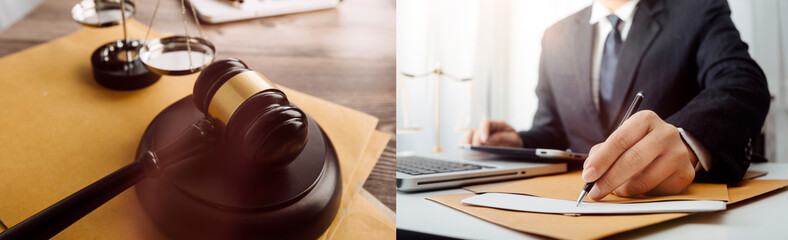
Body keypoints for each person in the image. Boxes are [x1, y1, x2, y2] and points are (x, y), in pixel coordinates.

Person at [462, 0, 770, 201]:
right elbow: (552, 129)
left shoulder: (697, 9)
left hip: (672, 209)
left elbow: (742, 82)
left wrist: (686, 137)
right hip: (572, 205)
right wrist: (518, 141)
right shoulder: (555, 35)